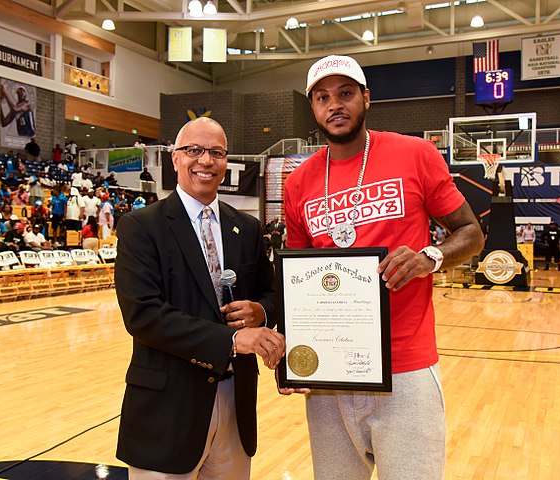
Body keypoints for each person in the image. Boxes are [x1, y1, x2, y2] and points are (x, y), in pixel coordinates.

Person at [281, 55, 484, 480]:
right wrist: (295, 359)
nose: (334, 105)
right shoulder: (298, 183)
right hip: (331, 373)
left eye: (345, 93)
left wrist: (430, 257)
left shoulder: (415, 154)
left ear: (366, 99)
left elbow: (471, 232)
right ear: (313, 108)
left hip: (406, 366)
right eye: (322, 97)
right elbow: (297, 279)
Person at [114, 116, 285, 480]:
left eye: (216, 152)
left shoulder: (247, 227)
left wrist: (260, 312)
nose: (205, 160)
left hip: (235, 401)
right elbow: (144, 316)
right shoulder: (141, 227)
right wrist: (234, 339)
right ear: (174, 158)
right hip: (167, 409)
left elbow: (272, 295)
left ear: (227, 162)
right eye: (194, 150)